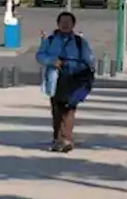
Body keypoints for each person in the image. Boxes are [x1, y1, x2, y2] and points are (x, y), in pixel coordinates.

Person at [35, 11, 97, 152]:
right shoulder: (50, 40)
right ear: (58, 24)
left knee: (69, 108)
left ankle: (66, 139)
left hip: (75, 79)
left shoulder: (80, 42)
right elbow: (40, 55)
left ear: (73, 25)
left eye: (68, 22)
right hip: (56, 78)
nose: (65, 25)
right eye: (63, 22)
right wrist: (52, 61)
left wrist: (85, 71)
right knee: (57, 109)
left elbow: (89, 60)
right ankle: (58, 139)